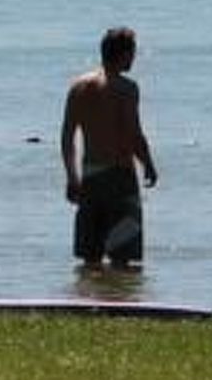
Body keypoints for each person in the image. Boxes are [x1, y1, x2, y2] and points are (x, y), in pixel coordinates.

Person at [60, 25, 158, 269]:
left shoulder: (78, 87)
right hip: (120, 179)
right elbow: (134, 134)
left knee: (90, 256)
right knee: (121, 256)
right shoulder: (126, 89)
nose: (134, 58)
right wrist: (148, 164)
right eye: (132, 53)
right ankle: (119, 301)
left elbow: (67, 137)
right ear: (123, 54)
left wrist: (72, 177)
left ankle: (88, 300)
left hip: (91, 177)